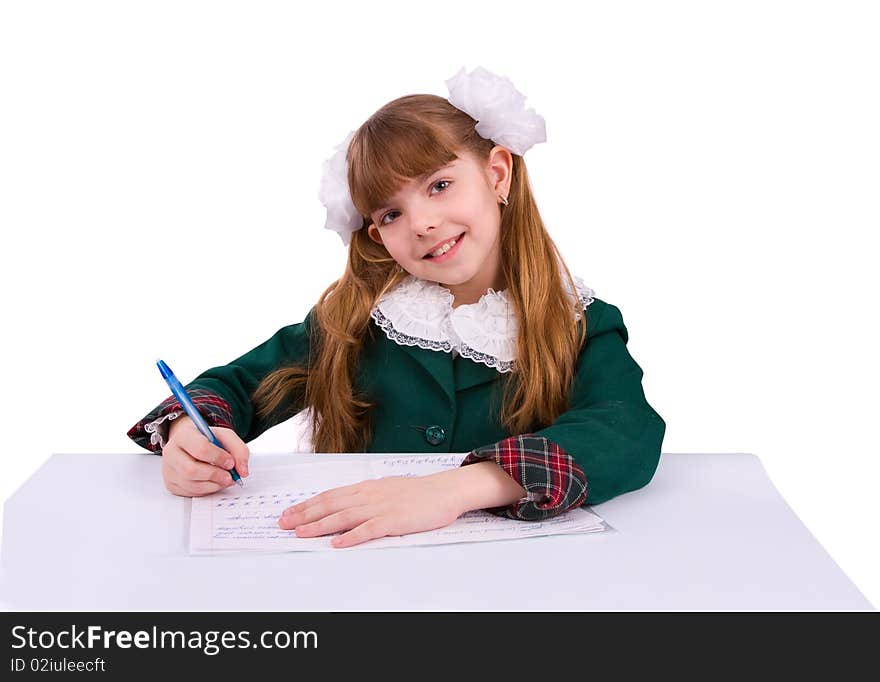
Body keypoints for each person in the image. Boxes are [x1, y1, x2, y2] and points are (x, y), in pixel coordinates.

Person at [127, 66, 666, 549]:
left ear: (498, 174)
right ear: (375, 234)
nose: (422, 224)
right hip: (358, 571)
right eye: (389, 213)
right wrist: (191, 436)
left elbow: (626, 431)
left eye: (440, 185)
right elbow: (236, 387)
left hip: (517, 586)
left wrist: (456, 489)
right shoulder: (356, 321)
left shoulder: (581, 322)